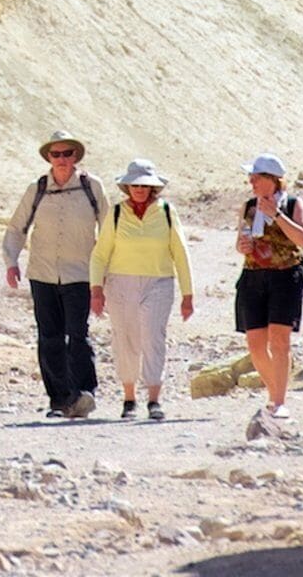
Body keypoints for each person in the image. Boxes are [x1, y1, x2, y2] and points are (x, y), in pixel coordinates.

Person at [1, 135, 106, 419]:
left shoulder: (91, 187)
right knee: (49, 337)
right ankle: (59, 400)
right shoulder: (37, 189)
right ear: (48, 157)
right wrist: (11, 261)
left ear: (76, 156)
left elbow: (108, 230)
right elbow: (16, 228)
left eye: (67, 153)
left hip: (80, 273)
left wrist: (107, 272)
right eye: (55, 154)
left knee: (78, 334)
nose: (61, 158)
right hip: (42, 273)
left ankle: (84, 393)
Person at [86, 161, 198, 419]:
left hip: (159, 282)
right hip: (120, 284)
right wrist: (96, 290)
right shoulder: (115, 214)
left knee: (152, 336)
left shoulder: (167, 212)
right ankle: (129, 398)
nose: (139, 189)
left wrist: (188, 294)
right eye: (135, 184)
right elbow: (100, 255)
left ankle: (154, 400)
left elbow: (180, 253)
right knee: (124, 338)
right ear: (127, 186)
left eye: (145, 185)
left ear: (153, 188)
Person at [232, 154, 303, 419]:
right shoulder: (247, 207)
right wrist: (242, 246)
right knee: (255, 344)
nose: (251, 182)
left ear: (272, 180)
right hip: (253, 276)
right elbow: (241, 238)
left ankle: (279, 401)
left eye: (256, 177)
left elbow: (302, 238)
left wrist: (275, 215)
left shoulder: (293, 204)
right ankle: (274, 390)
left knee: (279, 340)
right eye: (251, 178)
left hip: (285, 276)